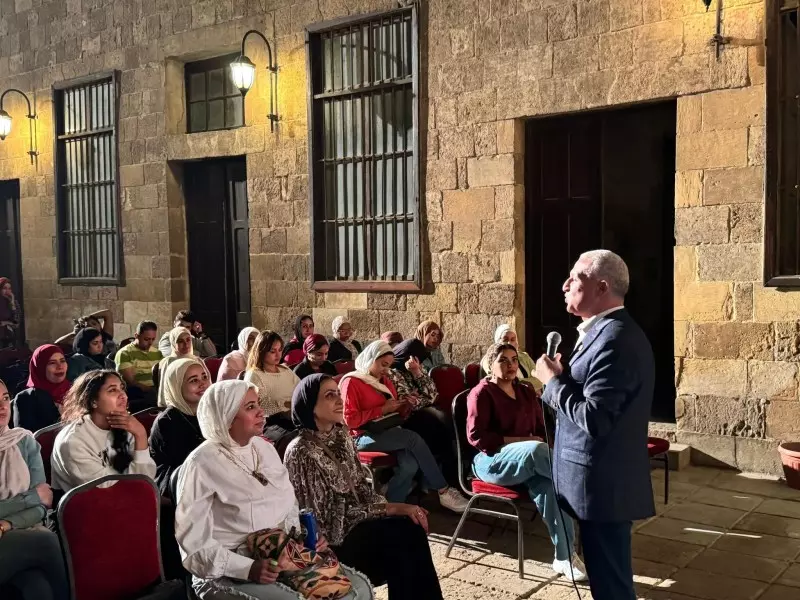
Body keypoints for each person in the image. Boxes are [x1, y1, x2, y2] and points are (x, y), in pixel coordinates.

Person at [174, 379, 373, 600]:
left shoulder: (263, 448)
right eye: (250, 407)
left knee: (359, 590)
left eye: (258, 404)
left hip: (280, 555)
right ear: (226, 417)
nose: (261, 412)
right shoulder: (200, 464)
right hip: (226, 570)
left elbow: (288, 505)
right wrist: (248, 568)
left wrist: (305, 537)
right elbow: (194, 547)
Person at [534, 250, 655, 600]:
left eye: (576, 278)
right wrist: (563, 378)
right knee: (607, 585)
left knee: (612, 588)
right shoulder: (601, 332)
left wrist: (552, 383)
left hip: (602, 487)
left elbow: (596, 418)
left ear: (601, 287)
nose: (565, 285)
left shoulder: (615, 338)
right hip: (597, 486)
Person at [285, 374, 443, 600]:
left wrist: (387, 509)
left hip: (359, 524)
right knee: (401, 539)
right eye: (329, 395)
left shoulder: (342, 436)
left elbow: (361, 488)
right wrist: (390, 508)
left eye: (338, 393)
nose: (339, 400)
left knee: (411, 529)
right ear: (310, 406)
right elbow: (324, 521)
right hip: (332, 543)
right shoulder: (301, 450)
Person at [469, 343, 586, 582]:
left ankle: (564, 557)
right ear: (490, 365)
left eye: (514, 360)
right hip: (491, 461)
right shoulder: (481, 393)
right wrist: (523, 441)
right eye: (503, 360)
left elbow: (541, 429)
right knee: (536, 450)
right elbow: (477, 438)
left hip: (531, 462)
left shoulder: (524, 390)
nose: (511, 365)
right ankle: (583, 485)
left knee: (551, 489)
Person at [340, 340, 466, 511]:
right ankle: (443, 491)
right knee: (412, 438)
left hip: (386, 430)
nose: (386, 370)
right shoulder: (352, 382)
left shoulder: (384, 381)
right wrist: (382, 409)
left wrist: (405, 405)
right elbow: (350, 420)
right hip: (360, 435)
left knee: (409, 464)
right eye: (383, 364)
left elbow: (396, 415)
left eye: (389, 365)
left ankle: (392, 506)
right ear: (371, 358)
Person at [0, 378, 69, 600]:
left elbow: (43, 505)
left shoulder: (23, 441)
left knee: (38, 587)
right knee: (46, 541)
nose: (2, 407)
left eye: (5, 398)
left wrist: (7, 523)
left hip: (18, 535)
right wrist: (31, 497)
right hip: (27, 539)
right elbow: (38, 496)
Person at [51, 370, 156, 493]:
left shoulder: (127, 425)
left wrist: (140, 434)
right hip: (90, 502)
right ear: (93, 401)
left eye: (122, 388)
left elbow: (146, 478)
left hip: (132, 496)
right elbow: (106, 490)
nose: (123, 396)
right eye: (112, 390)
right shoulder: (73, 441)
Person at [388, 339, 456, 485]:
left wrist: (417, 372)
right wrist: (422, 399)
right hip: (404, 418)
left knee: (443, 422)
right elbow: (408, 401)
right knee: (434, 423)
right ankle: (436, 481)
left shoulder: (417, 367)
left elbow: (432, 394)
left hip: (422, 414)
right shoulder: (392, 372)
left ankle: (445, 477)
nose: (416, 360)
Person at [149, 358, 210, 497]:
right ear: (177, 386)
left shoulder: (210, 411)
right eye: (193, 380)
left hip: (207, 474)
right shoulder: (167, 421)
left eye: (204, 377)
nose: (203, 384)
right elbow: (187, 463)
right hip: (177, 481)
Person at [244, 331, 300, 422]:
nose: (278, 355)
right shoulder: (255, 375)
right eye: (272, 351)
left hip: (295, 416)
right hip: (271, 422)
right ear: (261, 351)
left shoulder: (285, 370)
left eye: (280, 350)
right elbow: (253, 407)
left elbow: (301, 389)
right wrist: (284, 406)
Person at [13, 345, 70, 433]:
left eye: (62, 361)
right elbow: (26, 437)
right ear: (40, 367)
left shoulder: (75, 390)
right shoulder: (27, 398)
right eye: (52, 363)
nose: (60, 366)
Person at [480, 324, 543, 392]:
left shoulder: (524, 357)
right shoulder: (489, 359)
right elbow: (500, 382)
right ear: (497, 342)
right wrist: (532, 387)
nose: (509, 343)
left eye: (513, 339)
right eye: (505, 339)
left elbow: (540, 378)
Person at [114, 321, 161, 412]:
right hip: (138, 392)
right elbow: (130, 382)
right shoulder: (125, 353)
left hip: (156, 389)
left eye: (153, 339)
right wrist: (153, 390)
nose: (150, 342)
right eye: (146, 339)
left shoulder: (157, 353)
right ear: (136, 336)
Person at [156, 327, 195, 408]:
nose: (186, 344)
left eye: (188, 340)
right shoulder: (169, 362)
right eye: (180, 341)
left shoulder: (197, 360)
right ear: (173, 343)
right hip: (177, 405)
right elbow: (165, 391)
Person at [0, 278, 20, 350]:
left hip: (8, 338)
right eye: (4, 288)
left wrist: (12, 303)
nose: (7, 291)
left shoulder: (13, 302)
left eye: (9, 288)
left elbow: (16, 323)